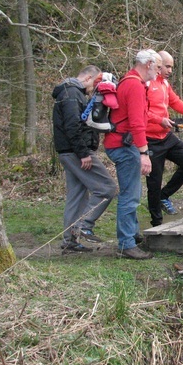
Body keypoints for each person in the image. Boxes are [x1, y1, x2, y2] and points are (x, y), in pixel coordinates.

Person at [52, 65, 117, 253]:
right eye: (95, 83)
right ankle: (83, 225)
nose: (94, 90)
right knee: (107, 188)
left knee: (77, 195)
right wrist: (83, 153)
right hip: (75, 152)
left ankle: (70, 241)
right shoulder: (72, 94)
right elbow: (72, 126)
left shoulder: (67, 92)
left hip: (68, 152)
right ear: (88, 78)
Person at [104, 50, 160, 259]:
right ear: (148, 65)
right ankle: (126, 244)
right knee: (130, 195)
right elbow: (137, 123)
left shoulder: (129, 82)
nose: (159, 71)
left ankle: (133, 235)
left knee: (132, 192)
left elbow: (141, 118)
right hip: (123, 146)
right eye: (157, 67)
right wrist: (144, 153)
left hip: (121, 144)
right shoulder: (134, 85)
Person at [145, 50, 183, 226]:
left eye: (171, 67)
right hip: (149, 138)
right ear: (158, 65)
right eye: (167, 66)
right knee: (154, 181)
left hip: (166, 136)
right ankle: (157, 223)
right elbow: (140, 111)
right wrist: (158, 120)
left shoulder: (165, 84)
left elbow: (175, 102)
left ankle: (165, 195)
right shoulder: (146, 83)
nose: (170, 70)